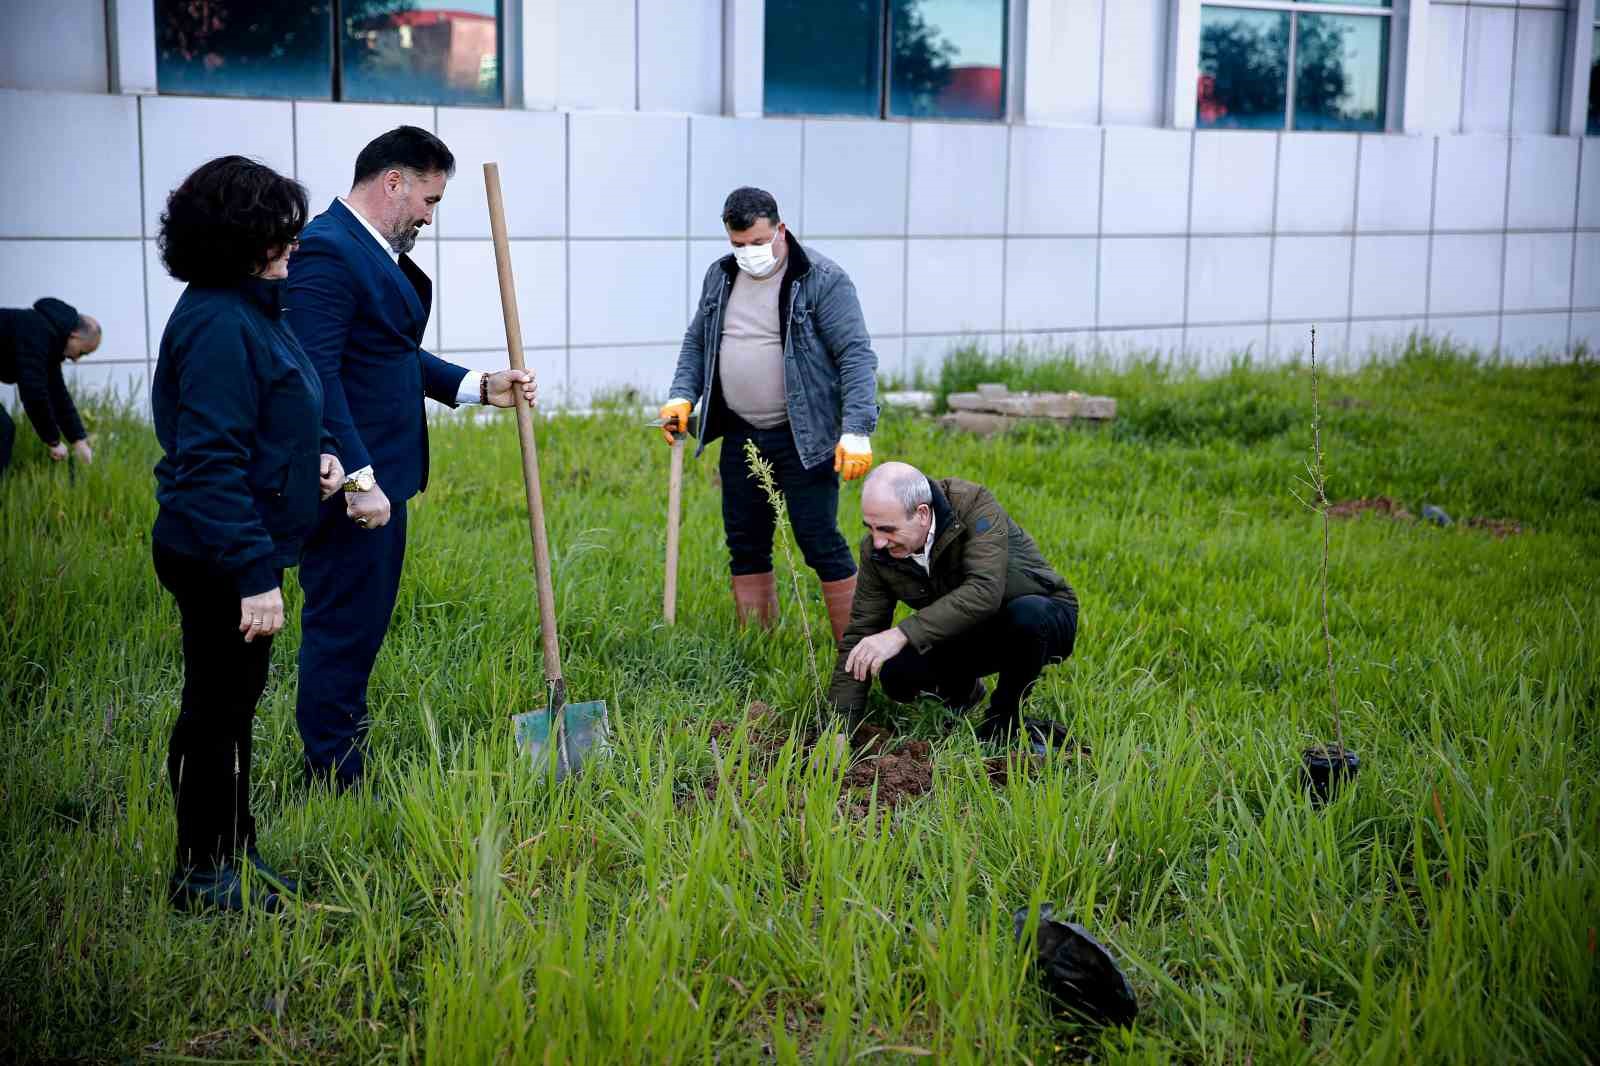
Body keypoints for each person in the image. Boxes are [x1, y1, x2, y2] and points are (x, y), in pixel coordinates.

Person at [285, 125, 537, 790]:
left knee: (363, 622)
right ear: (392, 182)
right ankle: (332, 775)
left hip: (383, 478)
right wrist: (358, 476)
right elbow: (316, 374)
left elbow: (388, 352)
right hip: (352, 485)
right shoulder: (327, 252)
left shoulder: (364, 251)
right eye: (428, 200)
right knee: (342, 623)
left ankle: (342, 752)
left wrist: (476, 386)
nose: (430, 215)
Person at [150, 156, 344, 912]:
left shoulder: (255, 310)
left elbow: (272, 421)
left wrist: (317, 461)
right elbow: (207, 465)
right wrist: (253, 575)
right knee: (216, 714)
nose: (293, 244)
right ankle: (203, 876)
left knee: (232, 711)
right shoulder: (218, 324)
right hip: (219, 556)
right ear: (241, 238)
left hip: (241, 546)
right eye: (279, 233)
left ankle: (236, 852)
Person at [660, 186, 878, 643]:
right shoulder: (720, 277)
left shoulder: (820, 278)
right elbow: (698, 341)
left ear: (780, 229)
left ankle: (858, 651)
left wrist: (857, 430)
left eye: (758, 243)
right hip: (741, 432)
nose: (749, 253)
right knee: (745, 542)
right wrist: (683, 396)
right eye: (738, 245)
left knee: (819, 540)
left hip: (805, 436)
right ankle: (759, 643)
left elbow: (856, 356)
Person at [828, 462, 1079, 745]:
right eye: (870, 529)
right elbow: (861, 633)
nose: (878, 542)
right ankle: (962, 693)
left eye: (887, 529)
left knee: (1028, 615)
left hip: (1044, 615)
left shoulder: (973, 506)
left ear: (922, 514)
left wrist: (901, 634)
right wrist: (838, 730)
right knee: (895, 671)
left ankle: (1004, 721)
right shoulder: (878, 554)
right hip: (969, 625)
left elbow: (985, 590)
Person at [0, 298, 101, 479]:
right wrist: (53, 440)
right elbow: (33, 392)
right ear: (75, 335)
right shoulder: (36, 332)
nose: (77, 359)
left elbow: (58, 396)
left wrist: (79, 440)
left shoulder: (50, 339)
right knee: (2, 429)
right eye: (83, 352)